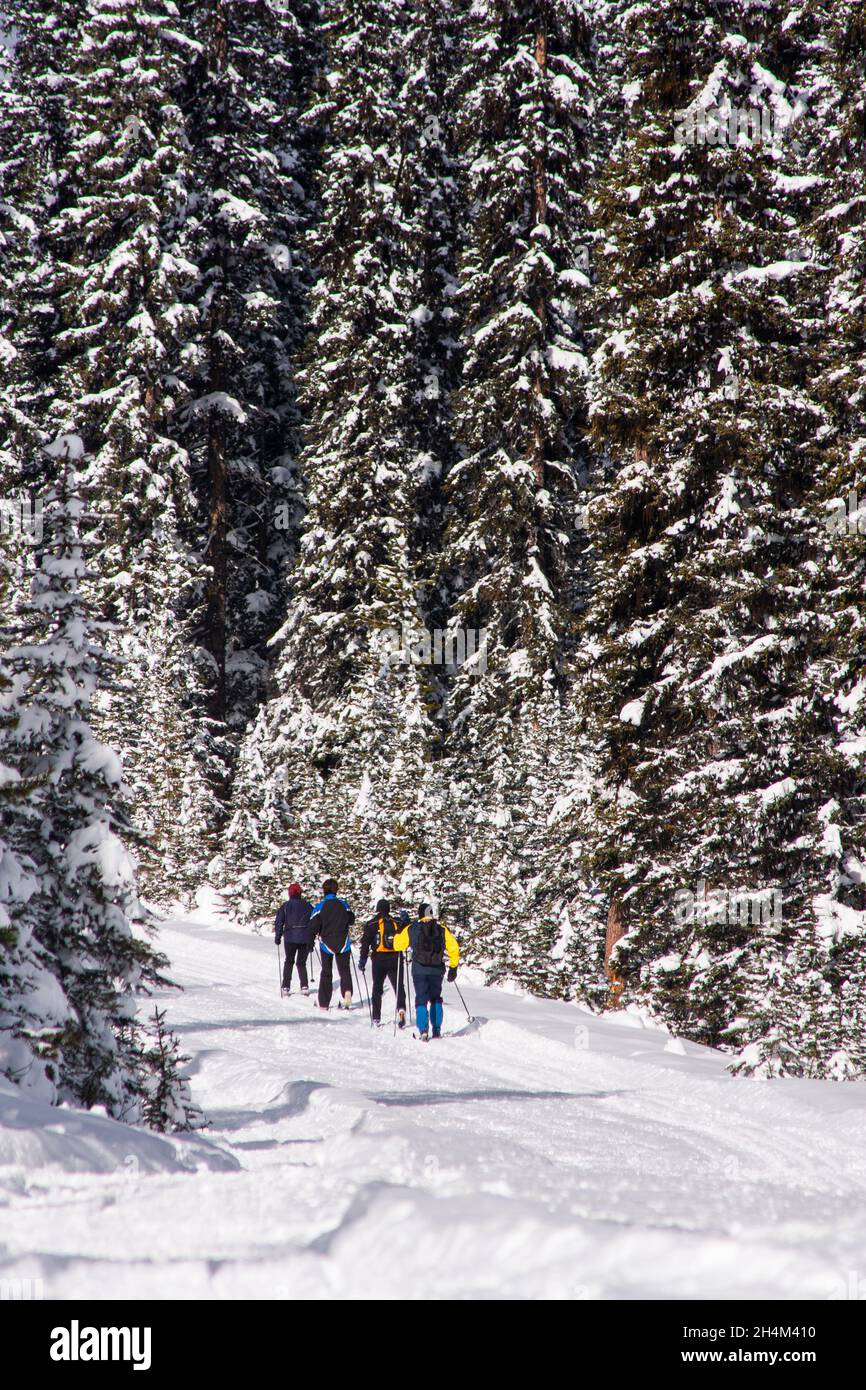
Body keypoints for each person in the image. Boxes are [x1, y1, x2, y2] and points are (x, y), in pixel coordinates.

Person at [393, 902, 459, 1040]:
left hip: (419, 970)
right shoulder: (441, 929)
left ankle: (423, 1030)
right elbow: (454, 947)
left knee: (421, 999)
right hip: (437, 970)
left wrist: (402, 928)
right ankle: (436, 1029)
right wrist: (453, 967)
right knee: (436, 998)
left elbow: (397, 945)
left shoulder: (413, 929)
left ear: (420, 914)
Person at [358, 897, 406, 1028]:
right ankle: (401, 1009)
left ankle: (376, 1018)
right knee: (399, 987)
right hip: (396, 958)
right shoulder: (397, 922)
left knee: (377, 988)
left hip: (379, 959)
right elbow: (406, 933)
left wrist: (363, 960)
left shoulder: (372, 924)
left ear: (378, 909)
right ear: (389, 909)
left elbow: (365, 943)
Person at [310, 878, 355, 1011]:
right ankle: (347, 992)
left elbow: (313, 925)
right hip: (343, 942)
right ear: (336, 890)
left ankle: (324, 1003)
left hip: (326, 943)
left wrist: (309, 941)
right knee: (344, 970)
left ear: (324, 891)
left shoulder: (320, 906)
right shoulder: (343, 904)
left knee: (326, 972)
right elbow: (351, 919)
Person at [274, 883, 314, 995]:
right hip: (305, 938)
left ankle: (286, 986)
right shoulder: (307, 905)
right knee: (301, 963)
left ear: (290, 893)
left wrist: (278, 937)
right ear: (300, 893)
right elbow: (314, 920)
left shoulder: (286, 906)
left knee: (289, 961)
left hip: (290, 937)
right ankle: (304, 986)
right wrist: (313, 937)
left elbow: (279, 922)